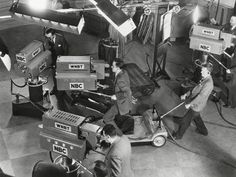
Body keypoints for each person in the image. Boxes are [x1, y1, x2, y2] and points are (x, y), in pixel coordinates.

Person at [173, 62, 214, 140]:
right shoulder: (204, 78)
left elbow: (201, 96)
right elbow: (196, 88)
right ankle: (203, 131)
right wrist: (186, 94)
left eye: (203, 71)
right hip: (195, 102)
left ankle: (178, 136)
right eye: (202, 70)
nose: (201, 72)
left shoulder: (209, 84)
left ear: (208, 72)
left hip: (197, 105)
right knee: (196, 117)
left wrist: (190, 104)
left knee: (185, 121)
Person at [102, 58, 132, 134]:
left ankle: (119, 134)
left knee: (106, 118)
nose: (111, 67)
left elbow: (127, 92)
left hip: (121, 103)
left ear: (118, 67)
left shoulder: (120, 78)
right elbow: (117, 85)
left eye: (113, 66)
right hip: (120, 101)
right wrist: (108, 86)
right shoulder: (122, 72)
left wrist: (116, 96)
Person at [44, 28, 68, 95]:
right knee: (54, 75)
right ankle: (55, 88)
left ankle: (62, 90)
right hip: (53, 60)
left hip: (61, 60)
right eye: (47, 37)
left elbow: (66, 49)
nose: (48, 38)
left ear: (53, 35)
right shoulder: (48, 39)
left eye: (49, 36)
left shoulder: (61, 38)